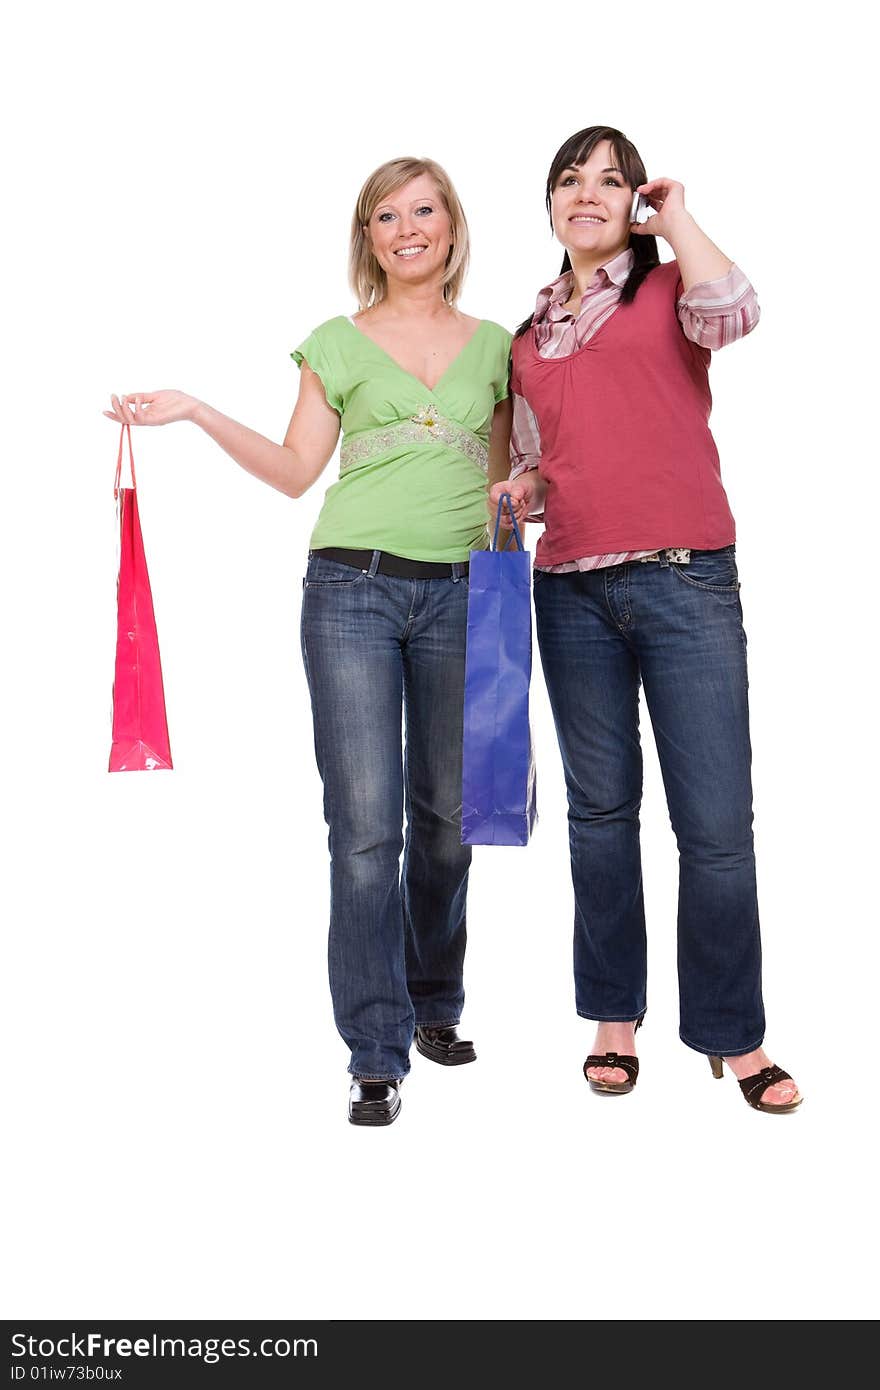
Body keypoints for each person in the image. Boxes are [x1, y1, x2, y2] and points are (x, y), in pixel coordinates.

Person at [105, 156, 513, 1127]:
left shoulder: (499, 346)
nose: (406, 228)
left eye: (424, 210)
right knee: (368, 834)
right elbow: (296, 471)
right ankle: (376, 1051)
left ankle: (433, 1003)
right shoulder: (334, 341)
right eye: (385, 215)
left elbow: (508, 492)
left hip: (465, 595)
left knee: (451, 826)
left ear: (452, 227)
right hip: (352, 593)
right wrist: (197, 410)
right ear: (367, 237)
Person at [490, 125, 801, 1114]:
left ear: (633, 201)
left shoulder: (668, 289)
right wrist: (515, 488)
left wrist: (676, 216)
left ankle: (733, 1035)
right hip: (570, 586)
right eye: (570, 180)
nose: (587, 193)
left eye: (609, 180)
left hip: (684, 580)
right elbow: (545, 465)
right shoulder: (527, 335)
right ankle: (611, 1018)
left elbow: (735, 310)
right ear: (548, 205)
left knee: (714, 825)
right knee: (599, 815)